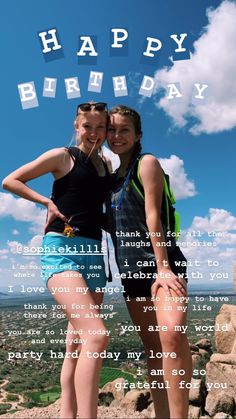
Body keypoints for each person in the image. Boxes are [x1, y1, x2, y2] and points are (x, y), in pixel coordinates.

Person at [2, 102, 111, 419]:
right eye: (87, 126)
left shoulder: (104, 167)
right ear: (77, 126)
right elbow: (11, 180)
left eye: (99, 127)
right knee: (97, 335)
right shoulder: (62, 156)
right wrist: (46, 202)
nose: (93, 133)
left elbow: (95, 210)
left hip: (94, 253)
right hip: (62, 248)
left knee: (76, 345)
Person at [107, 105, 192, 419]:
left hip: (162, 266)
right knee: (154, 349)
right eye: (111, 130)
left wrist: (163, 267)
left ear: (138, 134)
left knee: (171, 335)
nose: (117, 136)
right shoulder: (111, 180)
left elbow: (153, 216)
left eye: (124, 130)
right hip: (131, 273)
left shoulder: (146, 163)